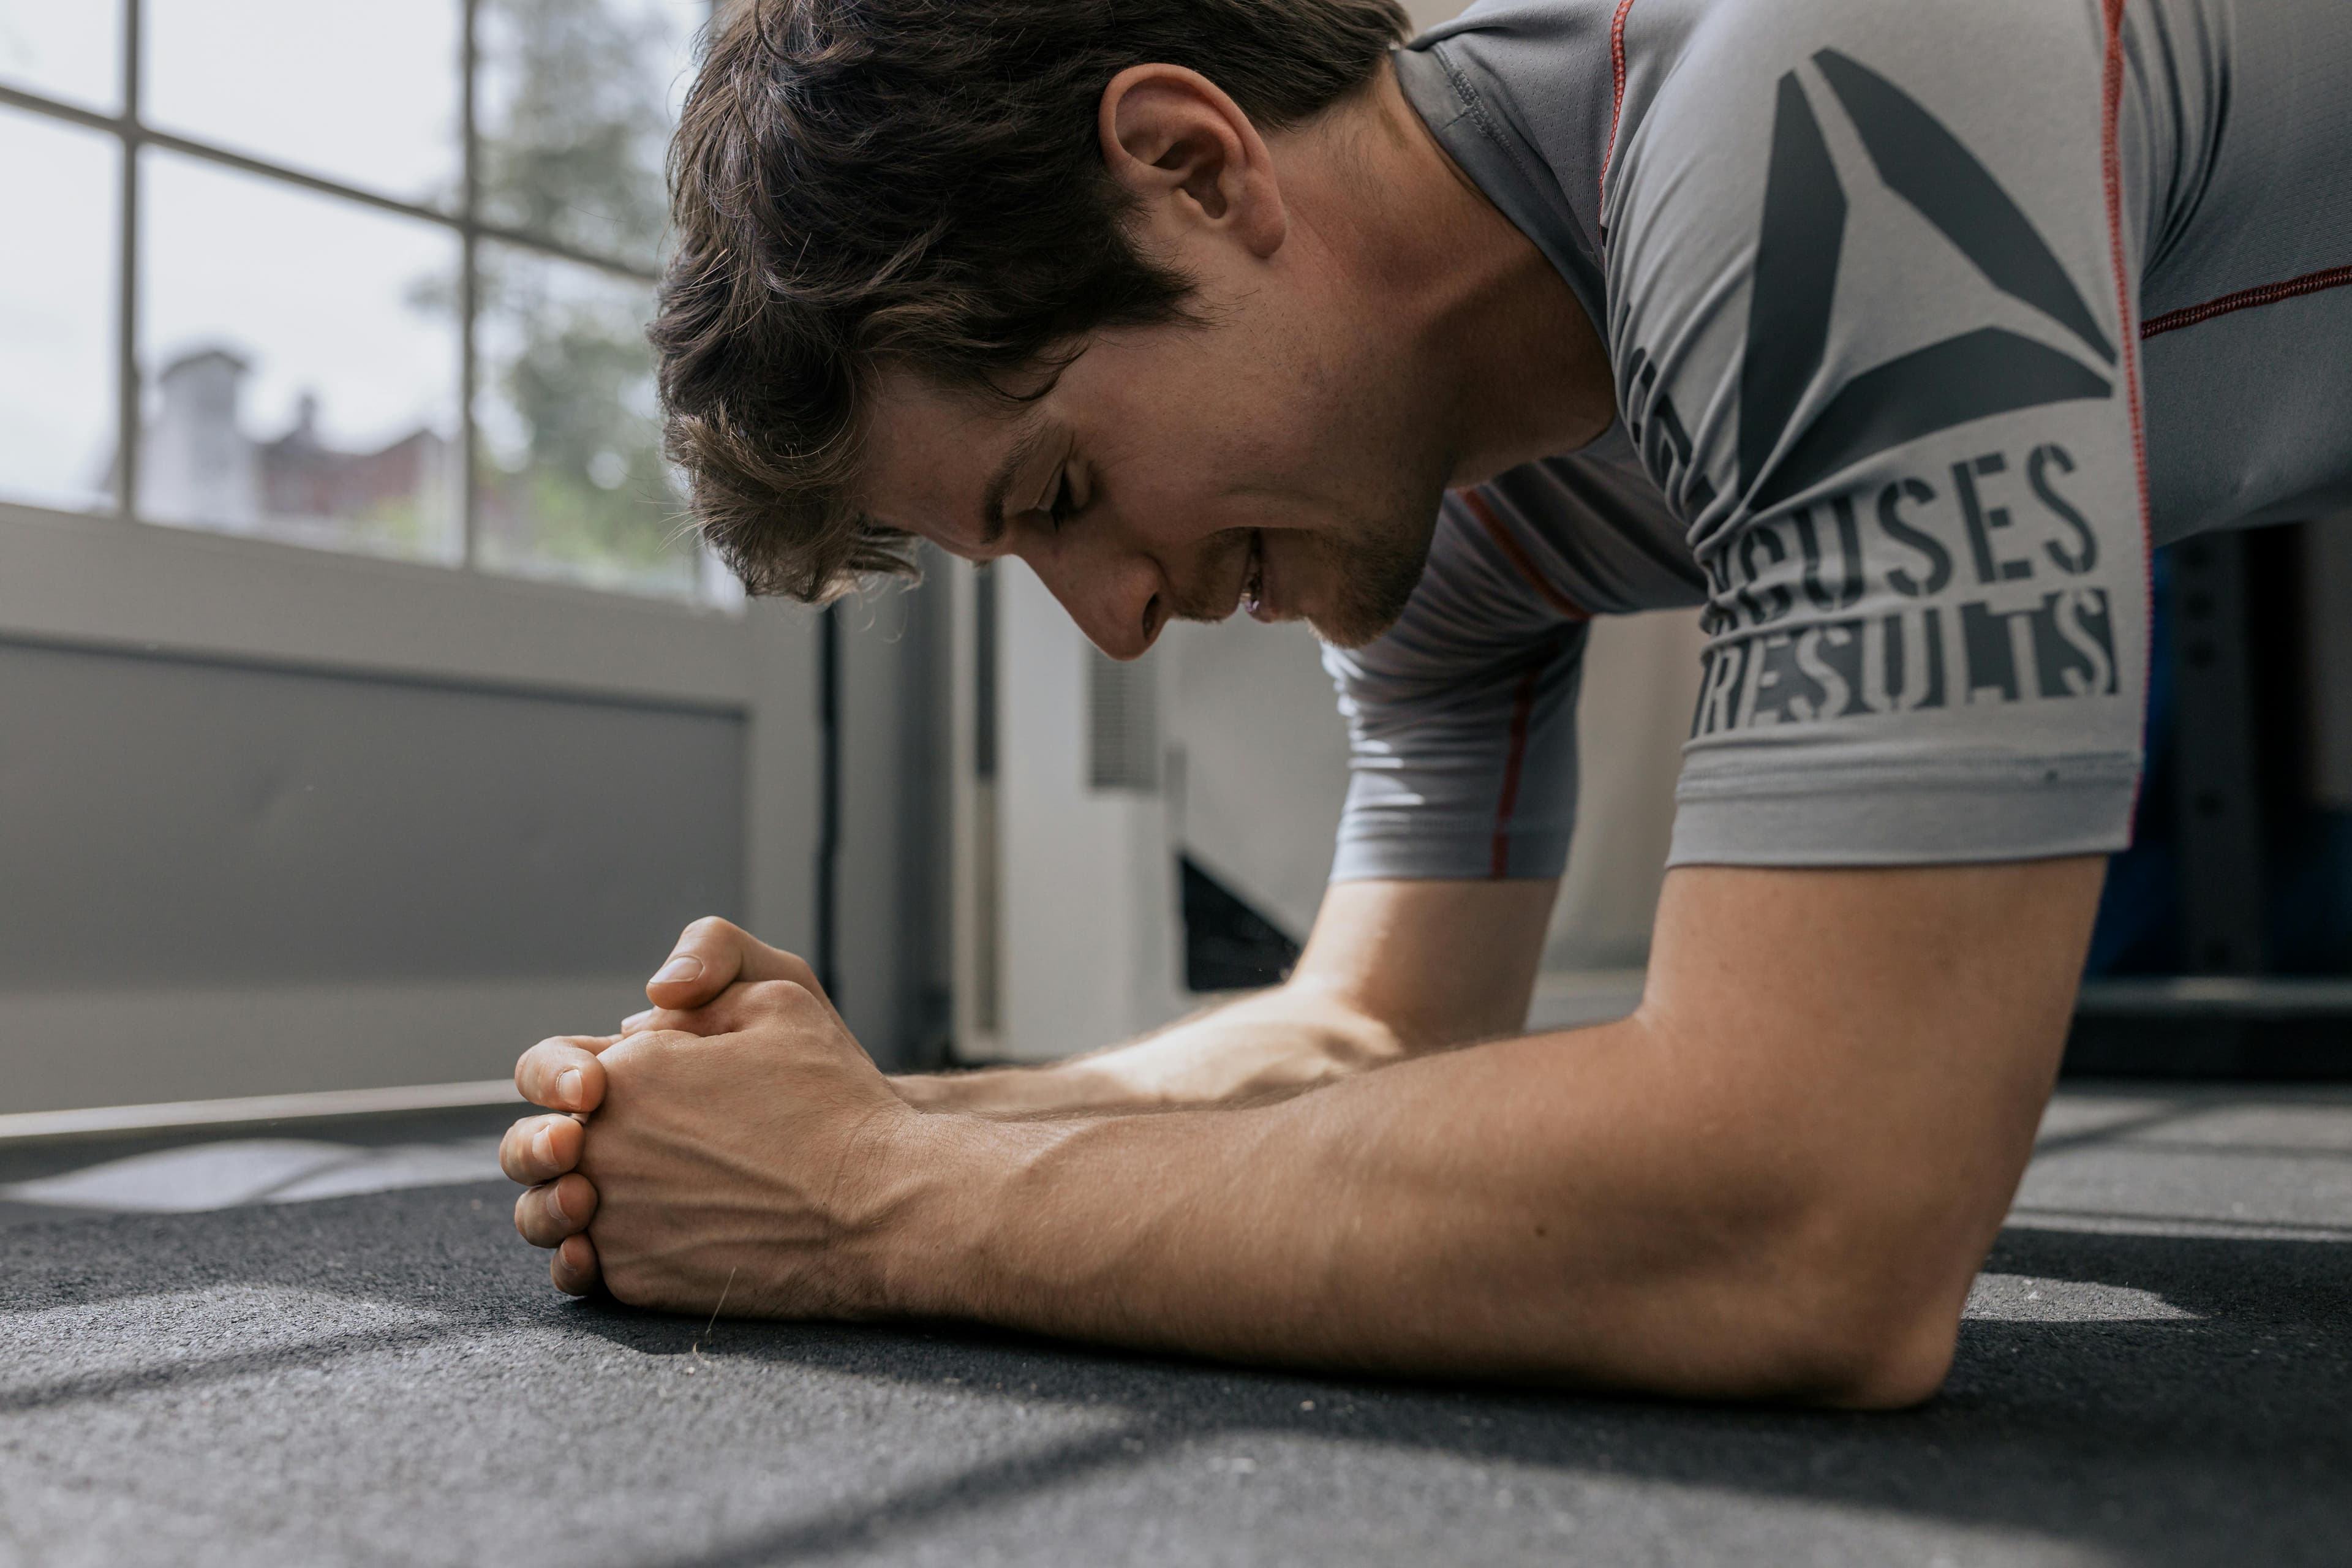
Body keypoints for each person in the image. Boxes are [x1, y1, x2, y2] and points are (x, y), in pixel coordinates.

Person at [498, 0, 2352, 1405]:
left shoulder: (1799, 102)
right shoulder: (1443, 519)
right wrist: (847, 1113)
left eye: (1061, 494)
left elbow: (1818, 1214)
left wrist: (866, 1204)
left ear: (1197, 169)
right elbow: (1366, 1036)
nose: (1123, 626)